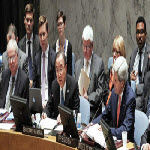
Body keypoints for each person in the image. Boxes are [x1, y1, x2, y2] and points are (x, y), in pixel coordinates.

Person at [91, 56, 136, 142]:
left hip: (126, 143)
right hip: (114, 140)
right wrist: (93, 124)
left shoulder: (130, 98)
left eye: (115, 80)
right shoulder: (114, 93)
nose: (112, 83)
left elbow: (125, 129)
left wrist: (107, 131)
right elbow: (106, 115)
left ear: (122, 83)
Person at [75, 25, 105, 121]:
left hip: (93, 113)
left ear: (92, 46)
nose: (85, 50)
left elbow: (100, 91)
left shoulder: (99, 64)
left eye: (87, 47)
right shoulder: (77, 65)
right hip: (78, 111)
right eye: (83, 46)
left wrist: (88, 98)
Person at [43, 51, 80, 121]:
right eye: (57, 70)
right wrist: (45, 113)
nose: (59, 74)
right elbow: (49, 106)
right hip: (56, 126)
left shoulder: (73, 85)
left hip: (69, 126)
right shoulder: (54, 85)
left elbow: (76, 111)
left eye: (61, 69)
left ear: (65, 68)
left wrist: (65, 116)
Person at [33, 15, 56, 108]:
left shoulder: (54, 57)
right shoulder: (36, 59)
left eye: (44, 34)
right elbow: (35, 86)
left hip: (50, 104)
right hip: (38, 104)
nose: (42, 38)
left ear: (48, 33)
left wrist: (47, 104)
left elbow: (55, 87)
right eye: (40, 35)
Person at [0, 39, 29, 112]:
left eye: (12, 57)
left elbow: (24, 109)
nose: (11, 62)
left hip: (14, 119)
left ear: (17, 56)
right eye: (9, 58)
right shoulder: (4, 75)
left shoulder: (24, 79)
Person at [129, 16, 150, 110]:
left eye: (141, 32)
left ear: (145, 34)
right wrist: (130, 79)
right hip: (132, 95)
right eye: (137, 32)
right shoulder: (133, 54)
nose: (139, 36)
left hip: (143, 98)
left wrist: (137, 87)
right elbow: (128, 79)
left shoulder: (149, 54)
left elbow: (147, 84)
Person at [18, 3, 40, 87]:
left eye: (31, 20)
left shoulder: (38, 43)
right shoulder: (20, 45)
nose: (29, 24)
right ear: (24, 20)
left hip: (36, 85)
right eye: (27, 20)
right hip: (24, 86)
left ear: (34, 21)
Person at [106, 35, 126, 105]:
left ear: (122, 53)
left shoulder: (125, 74)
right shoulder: (110, 71)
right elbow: (105, 92)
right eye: (113, 51)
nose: (114, 55)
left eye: (117, 52)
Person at [53, 11, 72, 76]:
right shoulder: (54, 47)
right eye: (58, 24)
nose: (60, 27)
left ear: (65, 24)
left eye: (61, 24)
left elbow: (69, 70)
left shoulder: (69, 46)